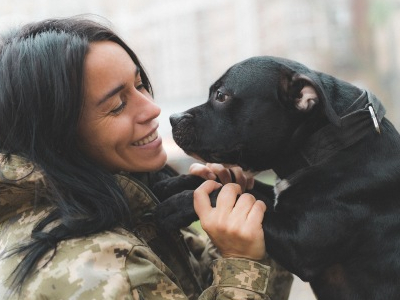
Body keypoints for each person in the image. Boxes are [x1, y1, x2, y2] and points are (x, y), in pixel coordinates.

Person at [0, 16, 293, 299]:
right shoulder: (99, 269)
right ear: (58, 135)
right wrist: (241, 263)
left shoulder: (113, 207)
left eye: (140, 85)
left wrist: (236, 225)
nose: (152, 109)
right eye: (117, 105)